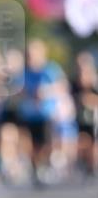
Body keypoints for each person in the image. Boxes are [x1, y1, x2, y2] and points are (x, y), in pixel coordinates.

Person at [17, 39, 66, 186]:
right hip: (28, 114)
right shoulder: (24, 72)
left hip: (46, 114)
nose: (31, 57)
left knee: (45, 144)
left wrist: (46, 91)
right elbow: (17, 89)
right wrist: (27, 93)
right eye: (29, 54)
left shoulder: (50, 69)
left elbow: (62, 86)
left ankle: (44, 165)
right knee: (29, 143)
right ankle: (35, 168)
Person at [71, 51, 98, 177]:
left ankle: (92, 166)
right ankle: (84, 164)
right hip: (79, 118)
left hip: (94, 118)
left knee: (93, 142)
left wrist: (90, 100)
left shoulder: (95, 84)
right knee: (82, 140)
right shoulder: (74, 84)